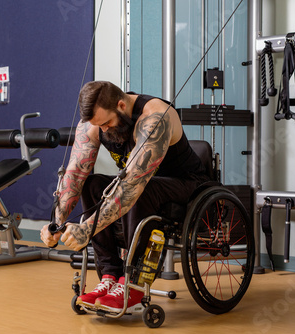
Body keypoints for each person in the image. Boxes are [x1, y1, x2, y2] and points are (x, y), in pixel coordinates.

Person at [40, 81, 209, 313]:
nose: (106, 130)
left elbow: (132, 184)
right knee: (92, 184)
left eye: (108, 122)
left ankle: (134, 282)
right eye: (100, 126)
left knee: (140, 187)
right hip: (143, 184)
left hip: (187, 185)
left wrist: (86, 229)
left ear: (121, 105)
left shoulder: (155, 117)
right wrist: (56, 224)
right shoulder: (94, 124)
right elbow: (76, 172)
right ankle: (110, 275)